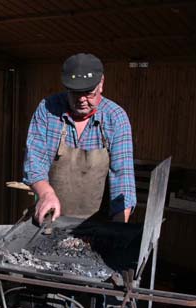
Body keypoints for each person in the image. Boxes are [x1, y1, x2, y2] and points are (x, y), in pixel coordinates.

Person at [23, 53, 136, 223]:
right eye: (75, 93)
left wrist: (119, 227)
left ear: (101, 84)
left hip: (98, 224)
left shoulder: (115, 118)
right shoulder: (47, 110)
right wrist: (46, 194)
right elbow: (34, 163)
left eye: (89, 93)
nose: (82, 99)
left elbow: (123, 178)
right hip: (51, 220)